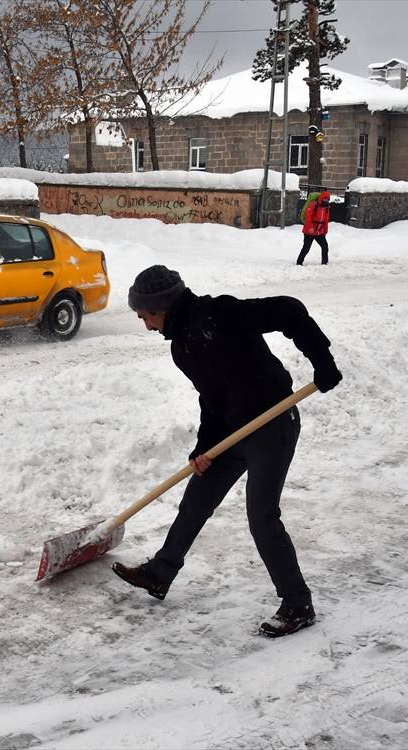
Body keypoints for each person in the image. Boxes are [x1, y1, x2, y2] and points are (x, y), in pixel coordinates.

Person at [113, 265, 342, 637]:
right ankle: (160, 573)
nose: (147, 327)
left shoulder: (218, 314)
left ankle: (298, 603)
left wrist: (322, 360)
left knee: (262, 518)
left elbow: (288, 309)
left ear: (162, 307)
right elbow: (213, 398)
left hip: (272, 424)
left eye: (146, 317)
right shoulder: (181, 345)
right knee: (196, 500)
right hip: (232, 431)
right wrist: (204, 448)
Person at [297, 191, 332, 266]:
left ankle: (324, 262)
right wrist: (310, 227)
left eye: (327, 200)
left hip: (319, 232)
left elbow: (326, 220)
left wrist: (325, 231)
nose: (326, 201)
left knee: (325, 246)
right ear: (321, 198)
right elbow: (308, 217)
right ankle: (299, 262)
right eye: (325, 199)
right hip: (309, 231)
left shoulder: (326, 208)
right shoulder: (313, 205)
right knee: (306, 247)